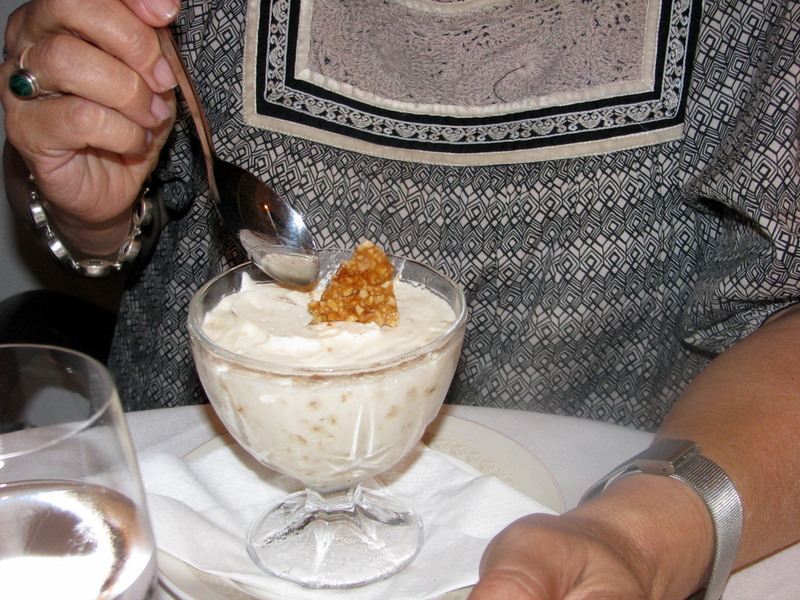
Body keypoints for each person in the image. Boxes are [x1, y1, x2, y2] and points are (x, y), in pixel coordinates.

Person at [2, 0, 799, 598]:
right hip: (166, 525)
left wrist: (646, 539)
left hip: (602, 501)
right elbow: (127, 211)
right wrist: (87, 199)